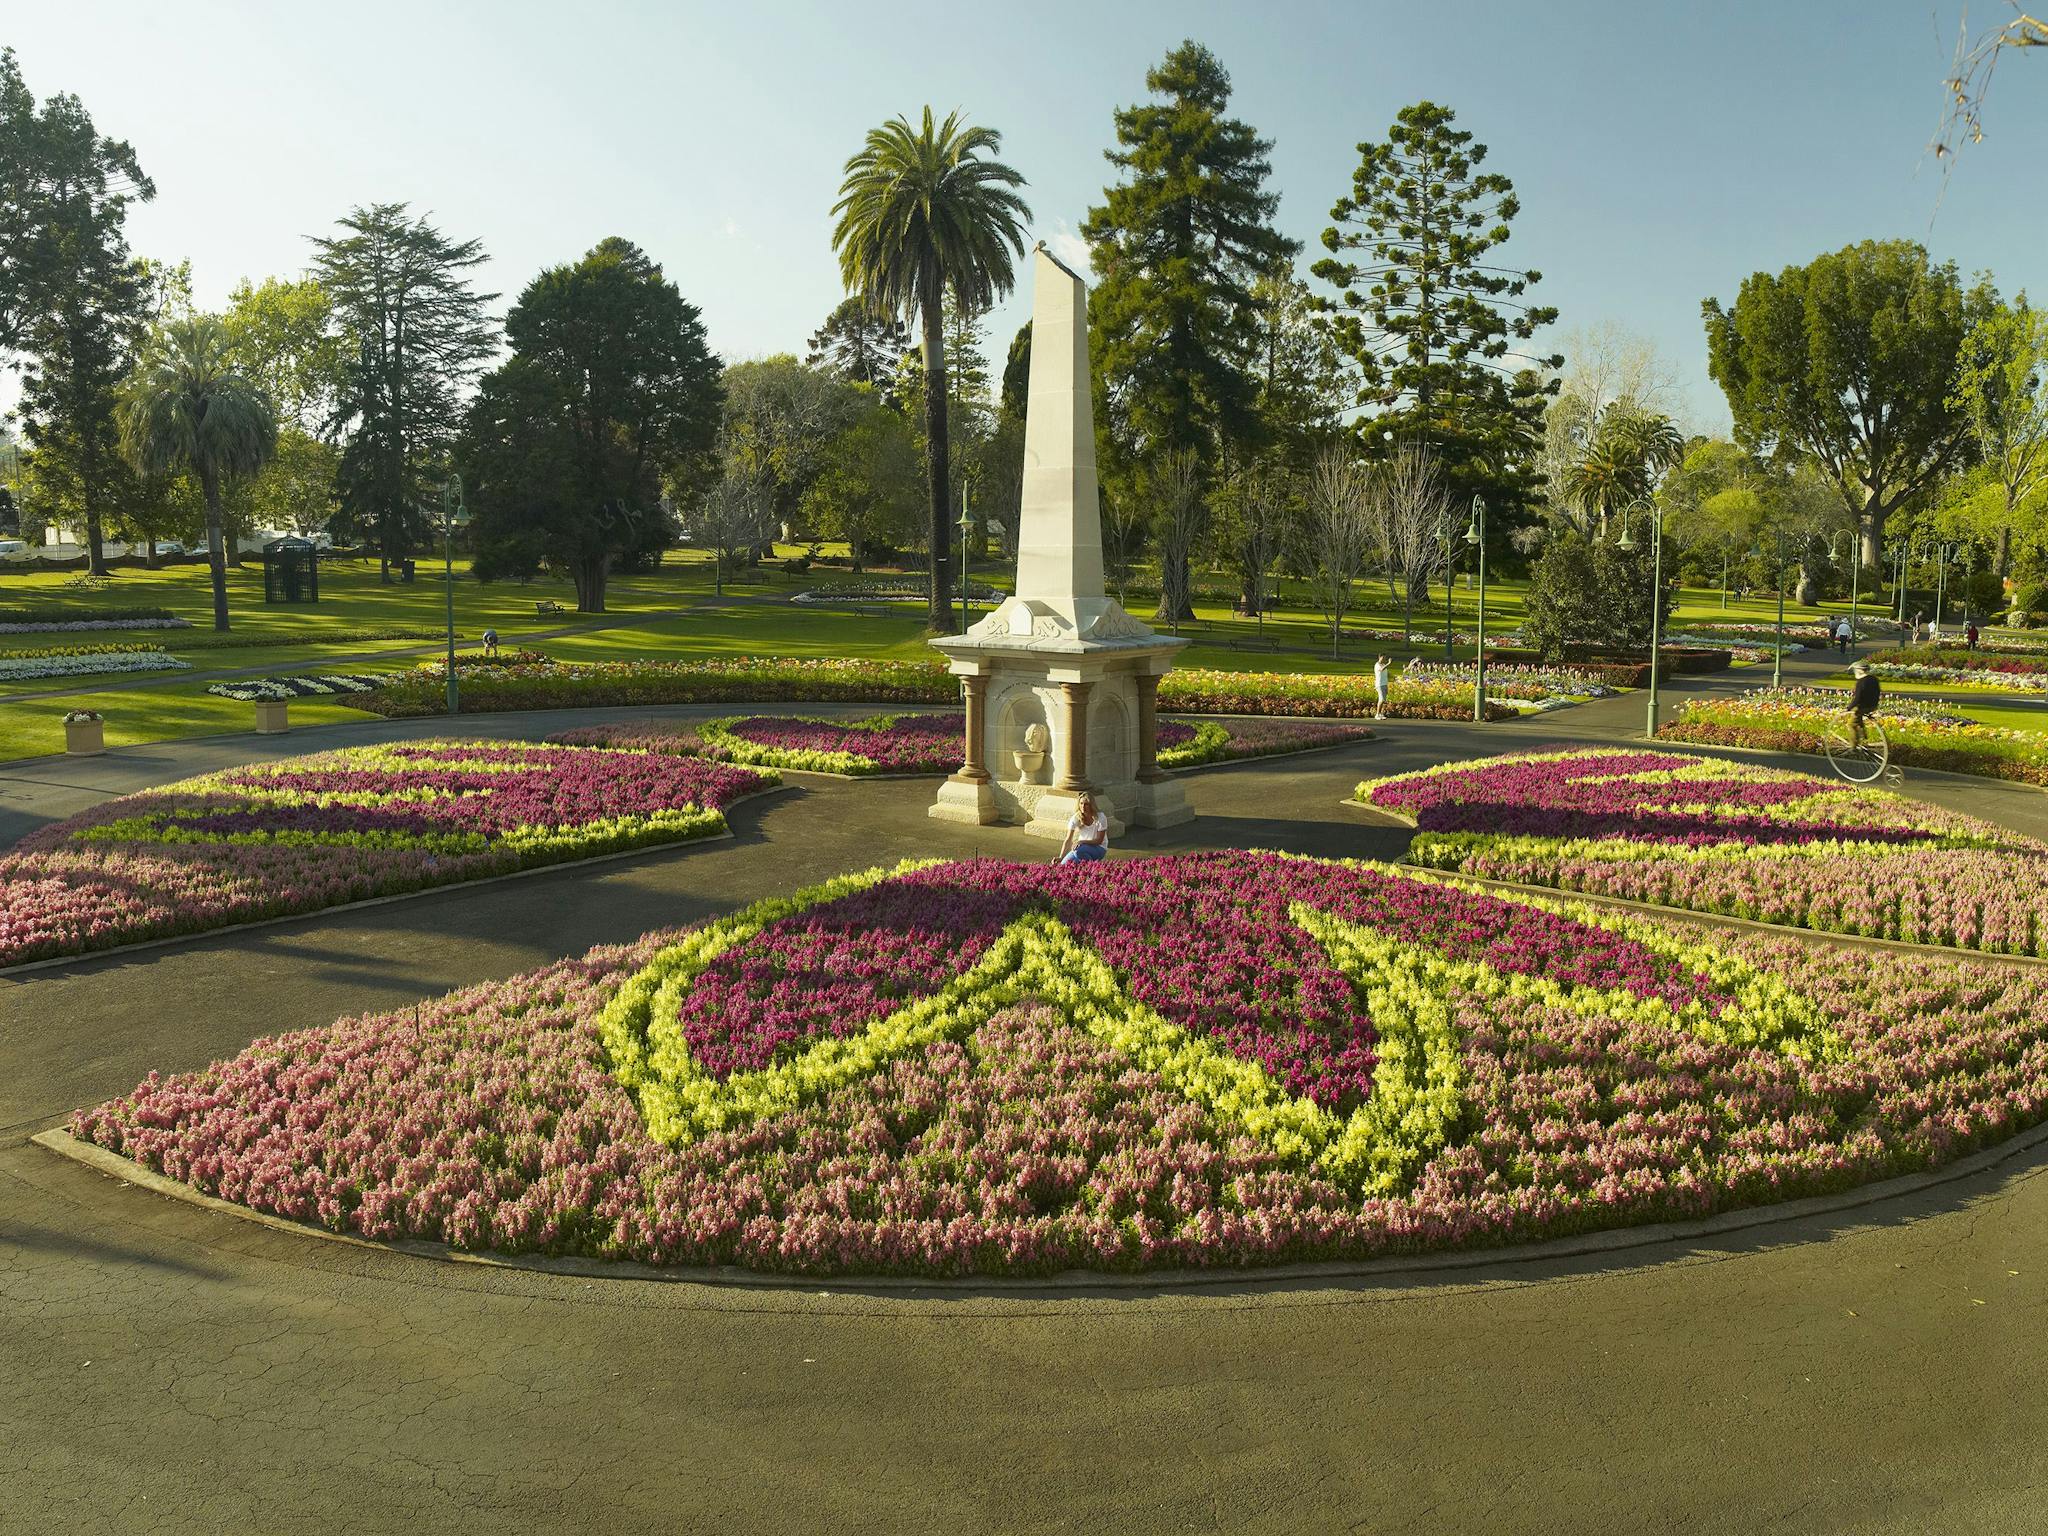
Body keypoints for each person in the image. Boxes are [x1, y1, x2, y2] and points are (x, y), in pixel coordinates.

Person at [1055, 791, 1109, 865]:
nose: (1083, 806)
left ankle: (1091, 867)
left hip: (1099, 848)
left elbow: (1099, 840)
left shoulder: (1100, 817)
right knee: (1063, 865)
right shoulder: (1075, 818)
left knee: (1078, 851)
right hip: (1081, 848)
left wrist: (1082, 841)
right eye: (1081, 803)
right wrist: (1061, 857)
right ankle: (1090, 865)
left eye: (1086, 804)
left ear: (1091, 805)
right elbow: (1068, 840)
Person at [1849, 660, 1881, 750]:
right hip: (1873, 705)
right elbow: (1878, 692)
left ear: (1859, 671)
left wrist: (1848, 708)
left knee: (1851, 724)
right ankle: (1863, 736)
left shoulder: (1861, 682)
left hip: (1862, 707)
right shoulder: (1874, 679)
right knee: (1858, 719)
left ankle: (1853, 746)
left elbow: (1857, 698)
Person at [1373, 654, 1391, 720]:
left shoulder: (1383, 665)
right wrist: (1389, 663)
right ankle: (1377, 714)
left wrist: (1394, 678)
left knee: (1384, 700)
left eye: (1385, 658)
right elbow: (1381, 670)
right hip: (1379, 684)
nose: (1384, 659)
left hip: (1384, 684)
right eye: (1382, 658)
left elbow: (1387, 673)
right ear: (1379, 657)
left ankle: (1380, 714)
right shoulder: (1377, 665)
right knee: (1381, 699)